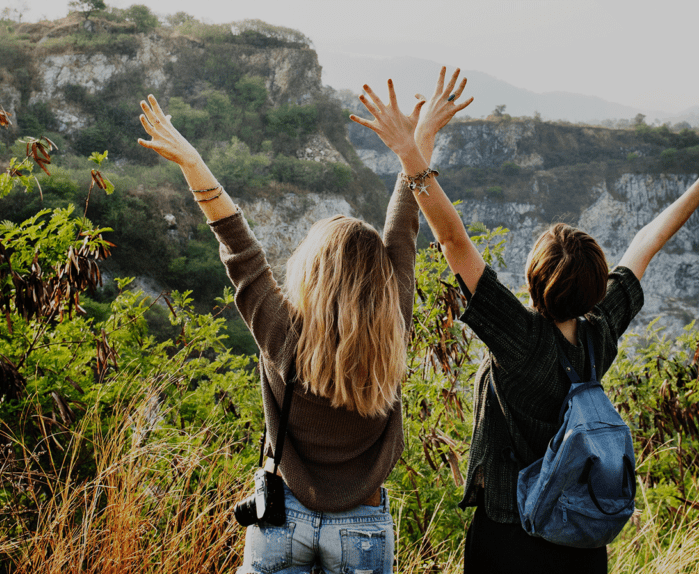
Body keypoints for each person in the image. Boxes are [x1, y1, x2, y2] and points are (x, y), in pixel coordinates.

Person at [351, 68, 699, 573]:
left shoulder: (522, 339)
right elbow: (646, 244)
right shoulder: (600, 333)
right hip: (581, 541)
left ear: (532, 282)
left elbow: (454, 241)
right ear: (597, 287)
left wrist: (411, 151)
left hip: (509, 534)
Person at [136, 81, 470, 574]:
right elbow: (404, 224)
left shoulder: (280, 331)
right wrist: (417, 142)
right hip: (362, 522)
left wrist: (192, 163)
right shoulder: (394, 318)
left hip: (281, 516)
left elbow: (237, 244)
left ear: (311, 271)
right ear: (380, 277)